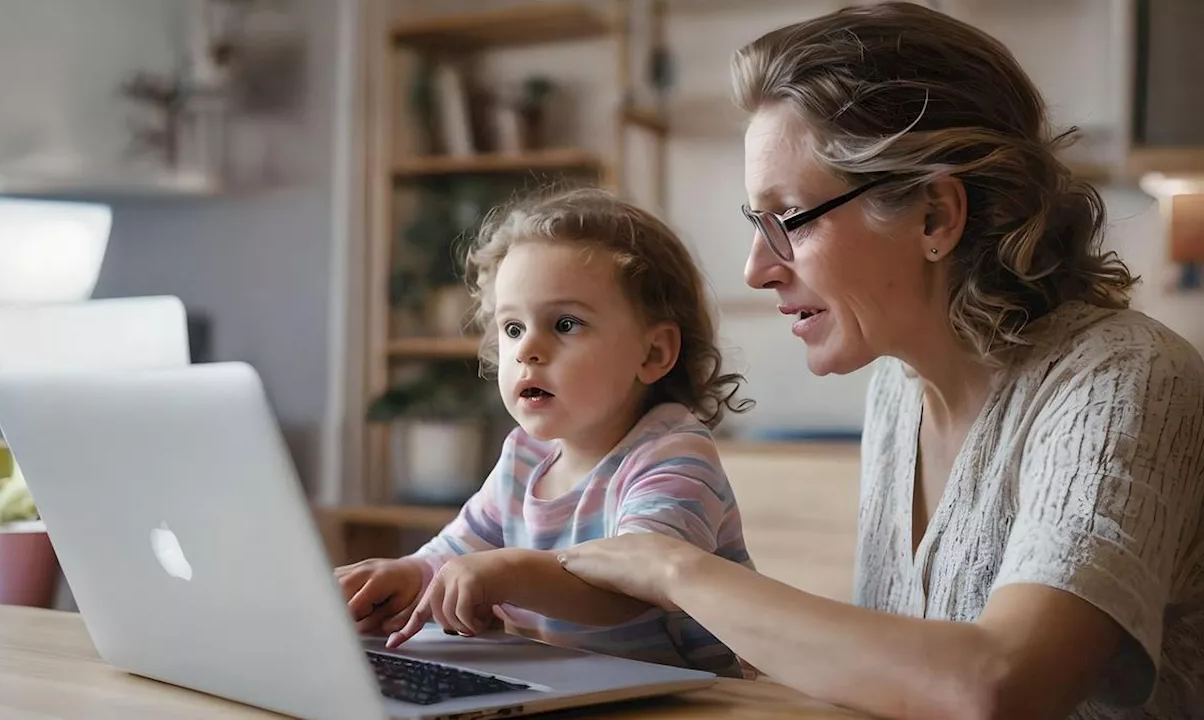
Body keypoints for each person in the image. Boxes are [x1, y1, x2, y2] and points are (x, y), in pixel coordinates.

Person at [552, 3, 1204, 719]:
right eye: (755, 222)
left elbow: (1000, 686)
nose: (755, 268)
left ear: (935, 216)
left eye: (789, 218)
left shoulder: (1124, 379)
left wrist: (674, 569)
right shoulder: (898, 387)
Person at [334, 187, 756, 677]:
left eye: (565, 323)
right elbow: (456, 552)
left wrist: (510, 572)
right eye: (512, 328)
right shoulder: (524, 457)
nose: (527, 349)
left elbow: (636, 584)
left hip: (699, 700)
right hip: (579, 689)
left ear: (653, 354)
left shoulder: (674, 454)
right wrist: (408, 573)